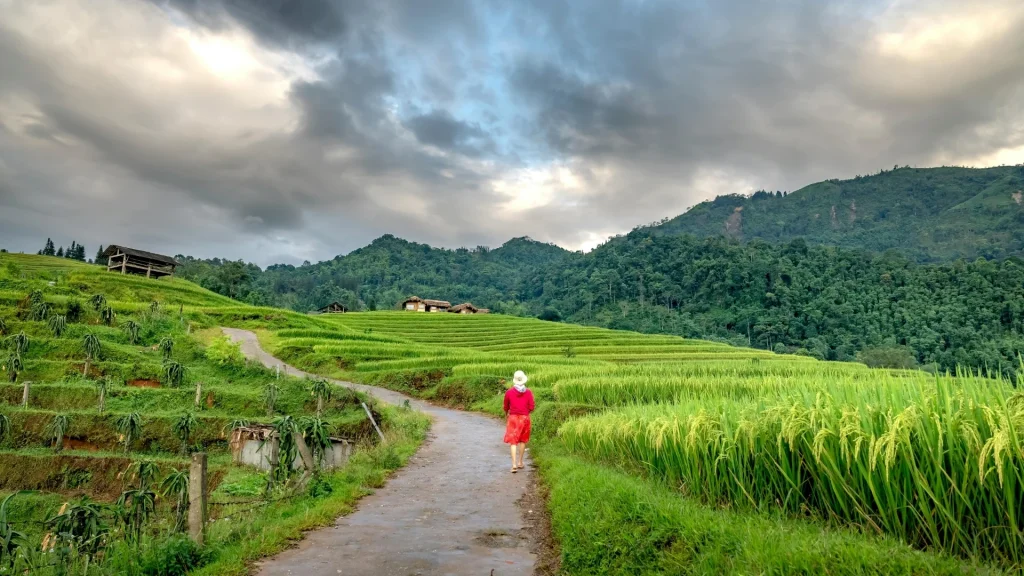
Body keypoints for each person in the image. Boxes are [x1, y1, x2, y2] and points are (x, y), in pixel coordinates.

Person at [503, 370, 534, 473]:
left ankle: (514, 465)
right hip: (525, 418)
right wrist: (525, 412)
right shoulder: (528, 392)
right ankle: (520, 462)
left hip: (513, 418)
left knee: (513, 441)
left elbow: (505, 406)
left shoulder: (509, 392)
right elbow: (531, 407)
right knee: (522, 440)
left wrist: (506, 413)